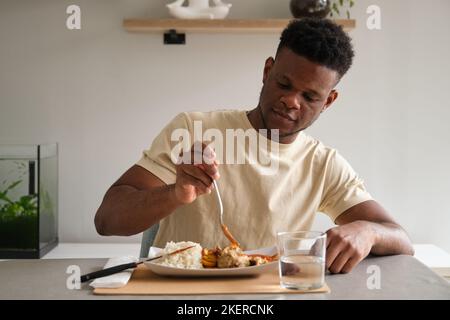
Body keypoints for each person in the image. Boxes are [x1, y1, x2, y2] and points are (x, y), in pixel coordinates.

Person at [95, 18, 414, 274]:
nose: (291, 101)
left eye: (309, 96)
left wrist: (367, 232)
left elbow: (400, 238)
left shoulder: (323, 164)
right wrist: (175, 193)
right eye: (284, 84)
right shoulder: (194, 130)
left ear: (328, 101)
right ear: (267, 72)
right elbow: (107, 220)